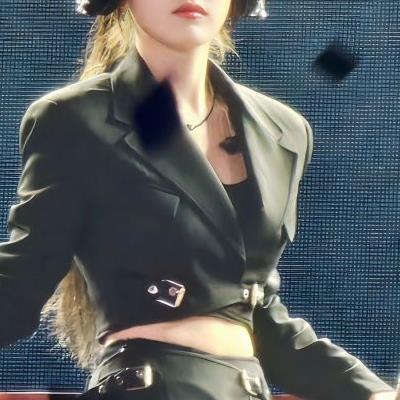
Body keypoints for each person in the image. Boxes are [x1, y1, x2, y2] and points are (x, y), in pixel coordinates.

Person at [0, 0, 396, 399]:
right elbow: (21, 282)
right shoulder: (77, 118)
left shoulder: (284, 131)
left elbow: (256, 313)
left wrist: (371, 392)